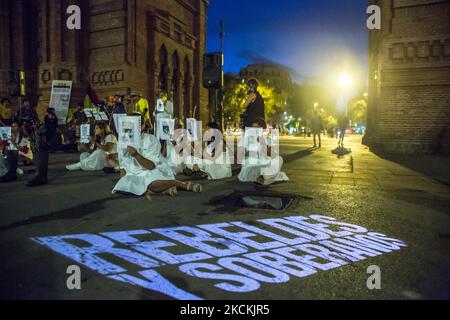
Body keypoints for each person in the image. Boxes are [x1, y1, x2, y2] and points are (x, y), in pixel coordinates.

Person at [112, 120, 202, 197]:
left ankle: (181, 184)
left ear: (142, 126)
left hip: (151, 170)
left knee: (150, 182)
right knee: (122, 187)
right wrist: (123, 180)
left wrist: (136, 155)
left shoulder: (151, 140)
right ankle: (163, 190)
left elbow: (151, 166)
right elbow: (123, 166)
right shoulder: (122, 141)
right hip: (133, 174)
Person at [238, 118, 289, 185]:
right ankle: (264, 178)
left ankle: (263, 177)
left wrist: (263, 143)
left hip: (265, 165)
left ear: (263, 129)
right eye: (253, 128)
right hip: (252, 167)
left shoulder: (267, 140)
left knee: (279, 159)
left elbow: (273, 155)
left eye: (257, 128)